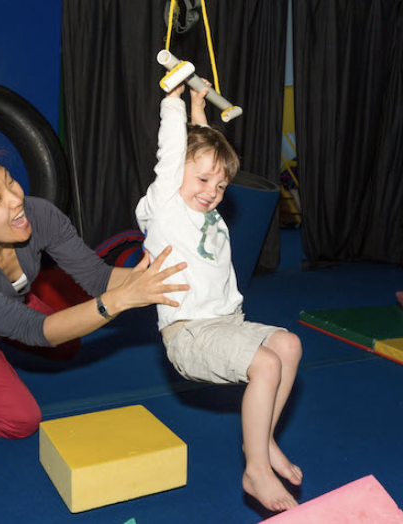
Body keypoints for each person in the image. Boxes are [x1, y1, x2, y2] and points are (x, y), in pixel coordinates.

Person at [0, 150, 189, 439]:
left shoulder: (38, 214)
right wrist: (119, 300)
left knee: (69, 344)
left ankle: (9, 337)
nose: (16, 198)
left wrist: (165, 277)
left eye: (9, 181)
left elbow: (98, 277)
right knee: (19, 421)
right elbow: (35, 330)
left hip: (16, 307)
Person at [135, 82, 303, 513]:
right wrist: (173, 101)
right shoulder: (168, 206)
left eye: (221, 184)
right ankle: (256, 468)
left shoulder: (206, 211)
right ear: (178, 176)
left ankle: (262, 442)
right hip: (189, 334)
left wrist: (197, 107)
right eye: (203, 180)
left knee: (288, 345)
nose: (211, 190)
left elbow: (201, 150)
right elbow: (175, 154)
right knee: (266, 364)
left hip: (227, 324)